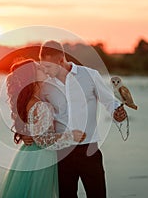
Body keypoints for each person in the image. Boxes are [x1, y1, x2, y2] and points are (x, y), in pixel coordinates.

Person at [22, 41, 127, 198]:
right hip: (60, 152)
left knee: (97, 194)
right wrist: (25, 131)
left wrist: (117, 113)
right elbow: (31, 108)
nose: (45, 70)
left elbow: (109, 101)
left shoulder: (90, 75)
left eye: (48, 66)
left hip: (89, 150)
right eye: (43, 66)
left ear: (61, 60)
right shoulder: (44, 85)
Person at [0, 58, 86, 198]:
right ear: (31, 76)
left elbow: (34, 130)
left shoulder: (31, 100)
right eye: (38, 68)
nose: (44, 69)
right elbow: (42, 140)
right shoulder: (40, 105)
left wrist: (29, 134)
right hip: (41, 156)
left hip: (28, 153)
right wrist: (71, 136)